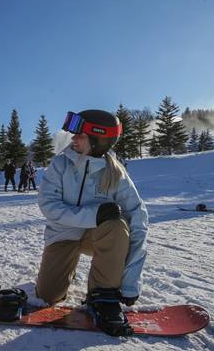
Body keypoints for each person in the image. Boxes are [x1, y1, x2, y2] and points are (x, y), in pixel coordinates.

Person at [36, 109, 149, 337]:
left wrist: (130, 282)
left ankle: (103, 295)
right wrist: (93, 215)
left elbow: (139, 222)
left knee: (118, 226)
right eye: (74, 135)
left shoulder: (116, 174)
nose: (73, 139)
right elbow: (49, 206)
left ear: (99, 141)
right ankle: (68, 268)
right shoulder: (60, 164)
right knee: (48, 295)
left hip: (97, 238)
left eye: (80, 135)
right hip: (63, 235)